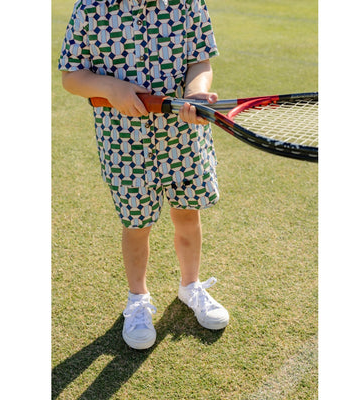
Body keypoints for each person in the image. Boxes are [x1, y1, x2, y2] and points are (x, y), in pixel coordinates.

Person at [58, 0, 229, 350]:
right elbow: (72, 76)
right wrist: (111, 88)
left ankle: (190, 287)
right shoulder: (90, 8)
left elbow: (200, 59)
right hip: (124, 143)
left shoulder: (187, 4)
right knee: (137, 224)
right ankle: (137, 300)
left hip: (182, 138)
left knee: (187, 213)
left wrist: (196, 91)